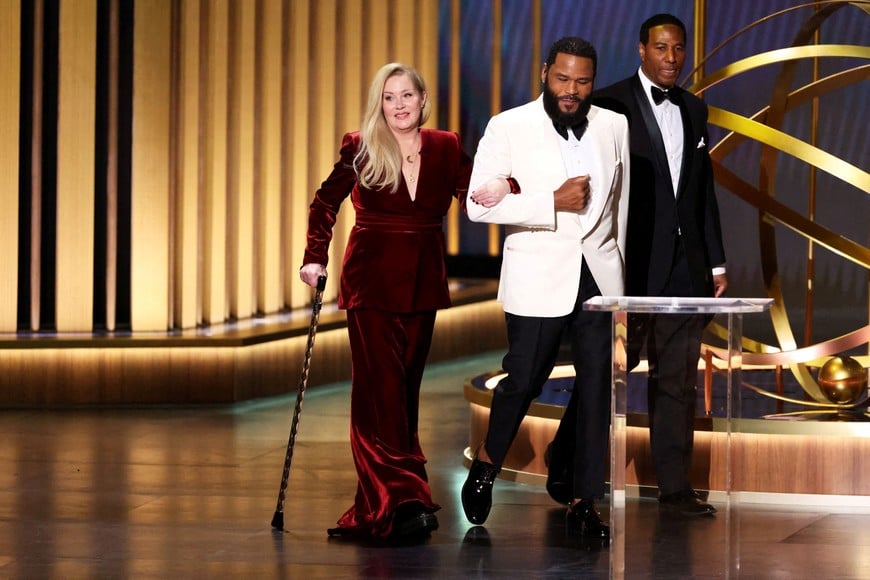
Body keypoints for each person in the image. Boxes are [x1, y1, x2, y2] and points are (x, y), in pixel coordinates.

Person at [460, 36, 630, 538]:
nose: (571, 91)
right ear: (544, 73)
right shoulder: (508, 126)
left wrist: (621, 285)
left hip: (599, 276)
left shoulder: (613, 125)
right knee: (525, 378)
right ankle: (489, 460)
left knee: (598, 386)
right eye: (562, 79)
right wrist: (549, 201)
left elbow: (618, 211)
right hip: (538, 274)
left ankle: (583, 498)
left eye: (581, 82)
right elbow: (477, 205)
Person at [299, 62, 472, 541]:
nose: (399, 106)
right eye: (390, 97)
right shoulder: (361, 145)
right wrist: (314, 257)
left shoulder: (447, 146)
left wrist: (516, 190)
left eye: (407, 96)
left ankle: (378, 503)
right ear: (381, 103)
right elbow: (324, 203)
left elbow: (476, 196)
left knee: (403, 395)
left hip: (422, 283)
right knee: (381, 396)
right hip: (370, 283)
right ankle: (407, 498)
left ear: (423, 100)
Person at [591, 13, 728, 517]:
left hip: (684, 269)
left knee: (677, 380)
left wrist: (715, 261)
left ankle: (674, 487)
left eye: (679, 50)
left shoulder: (694, 108)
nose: (672, 59)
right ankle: (581, 482)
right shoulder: (609, 102)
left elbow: (701, 193)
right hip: (628, 265)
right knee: (603, 378)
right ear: (641, 50)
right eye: (662, 49)